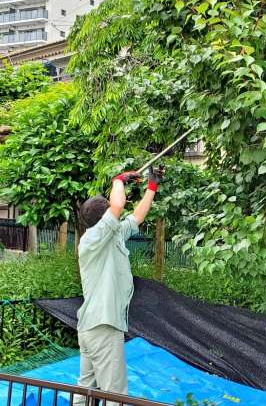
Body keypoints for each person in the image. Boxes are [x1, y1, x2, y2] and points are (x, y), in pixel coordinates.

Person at [74, 167, 164, 405]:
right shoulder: (92, 239)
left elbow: (136, 218)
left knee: (85, 390)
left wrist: (151, 187)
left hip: (93, 326)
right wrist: (118, 180)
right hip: (103, 326)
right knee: (115, 395)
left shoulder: (110, 236)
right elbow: (118, 205)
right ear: (104, 218)